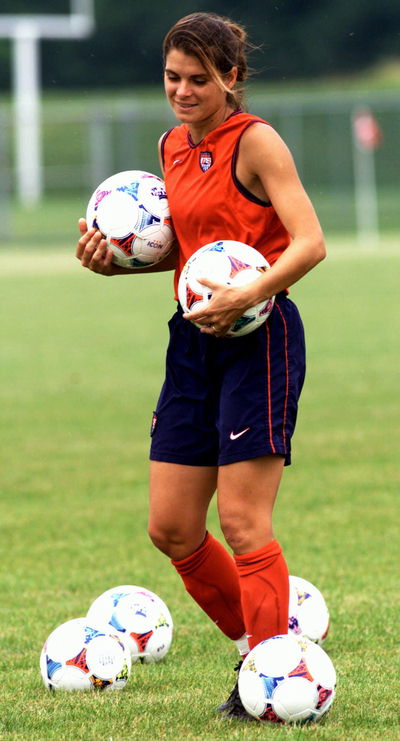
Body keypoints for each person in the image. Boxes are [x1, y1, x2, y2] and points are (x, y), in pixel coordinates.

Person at [76, 12, 326, 720]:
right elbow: (191, 252)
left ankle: (268, 677)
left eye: (198, 80)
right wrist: (116, 262)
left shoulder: (257, 142)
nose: (182, 92)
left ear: (231, 77)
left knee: (243, 522)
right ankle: (260, 647)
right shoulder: (172, 147)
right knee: (172, 527)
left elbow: (309, 242)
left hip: (260, 338)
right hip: (192, 343)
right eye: (172, 78)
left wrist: (252, 291)